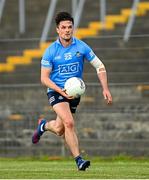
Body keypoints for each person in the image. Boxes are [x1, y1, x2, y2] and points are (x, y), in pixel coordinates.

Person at [32, 11, 112, 171]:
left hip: (74, 93)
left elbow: (100, 66)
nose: (67, 30)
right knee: (69, 123)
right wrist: (60, 92)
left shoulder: (81, 47)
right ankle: (79, 160)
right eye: (63, 27)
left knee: (60, 129)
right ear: (58, 30)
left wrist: (105, 88)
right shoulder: (50, 51)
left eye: (70, 27)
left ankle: (44, 126)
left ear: (72, 28)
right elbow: (44, 78)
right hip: (56, 91)